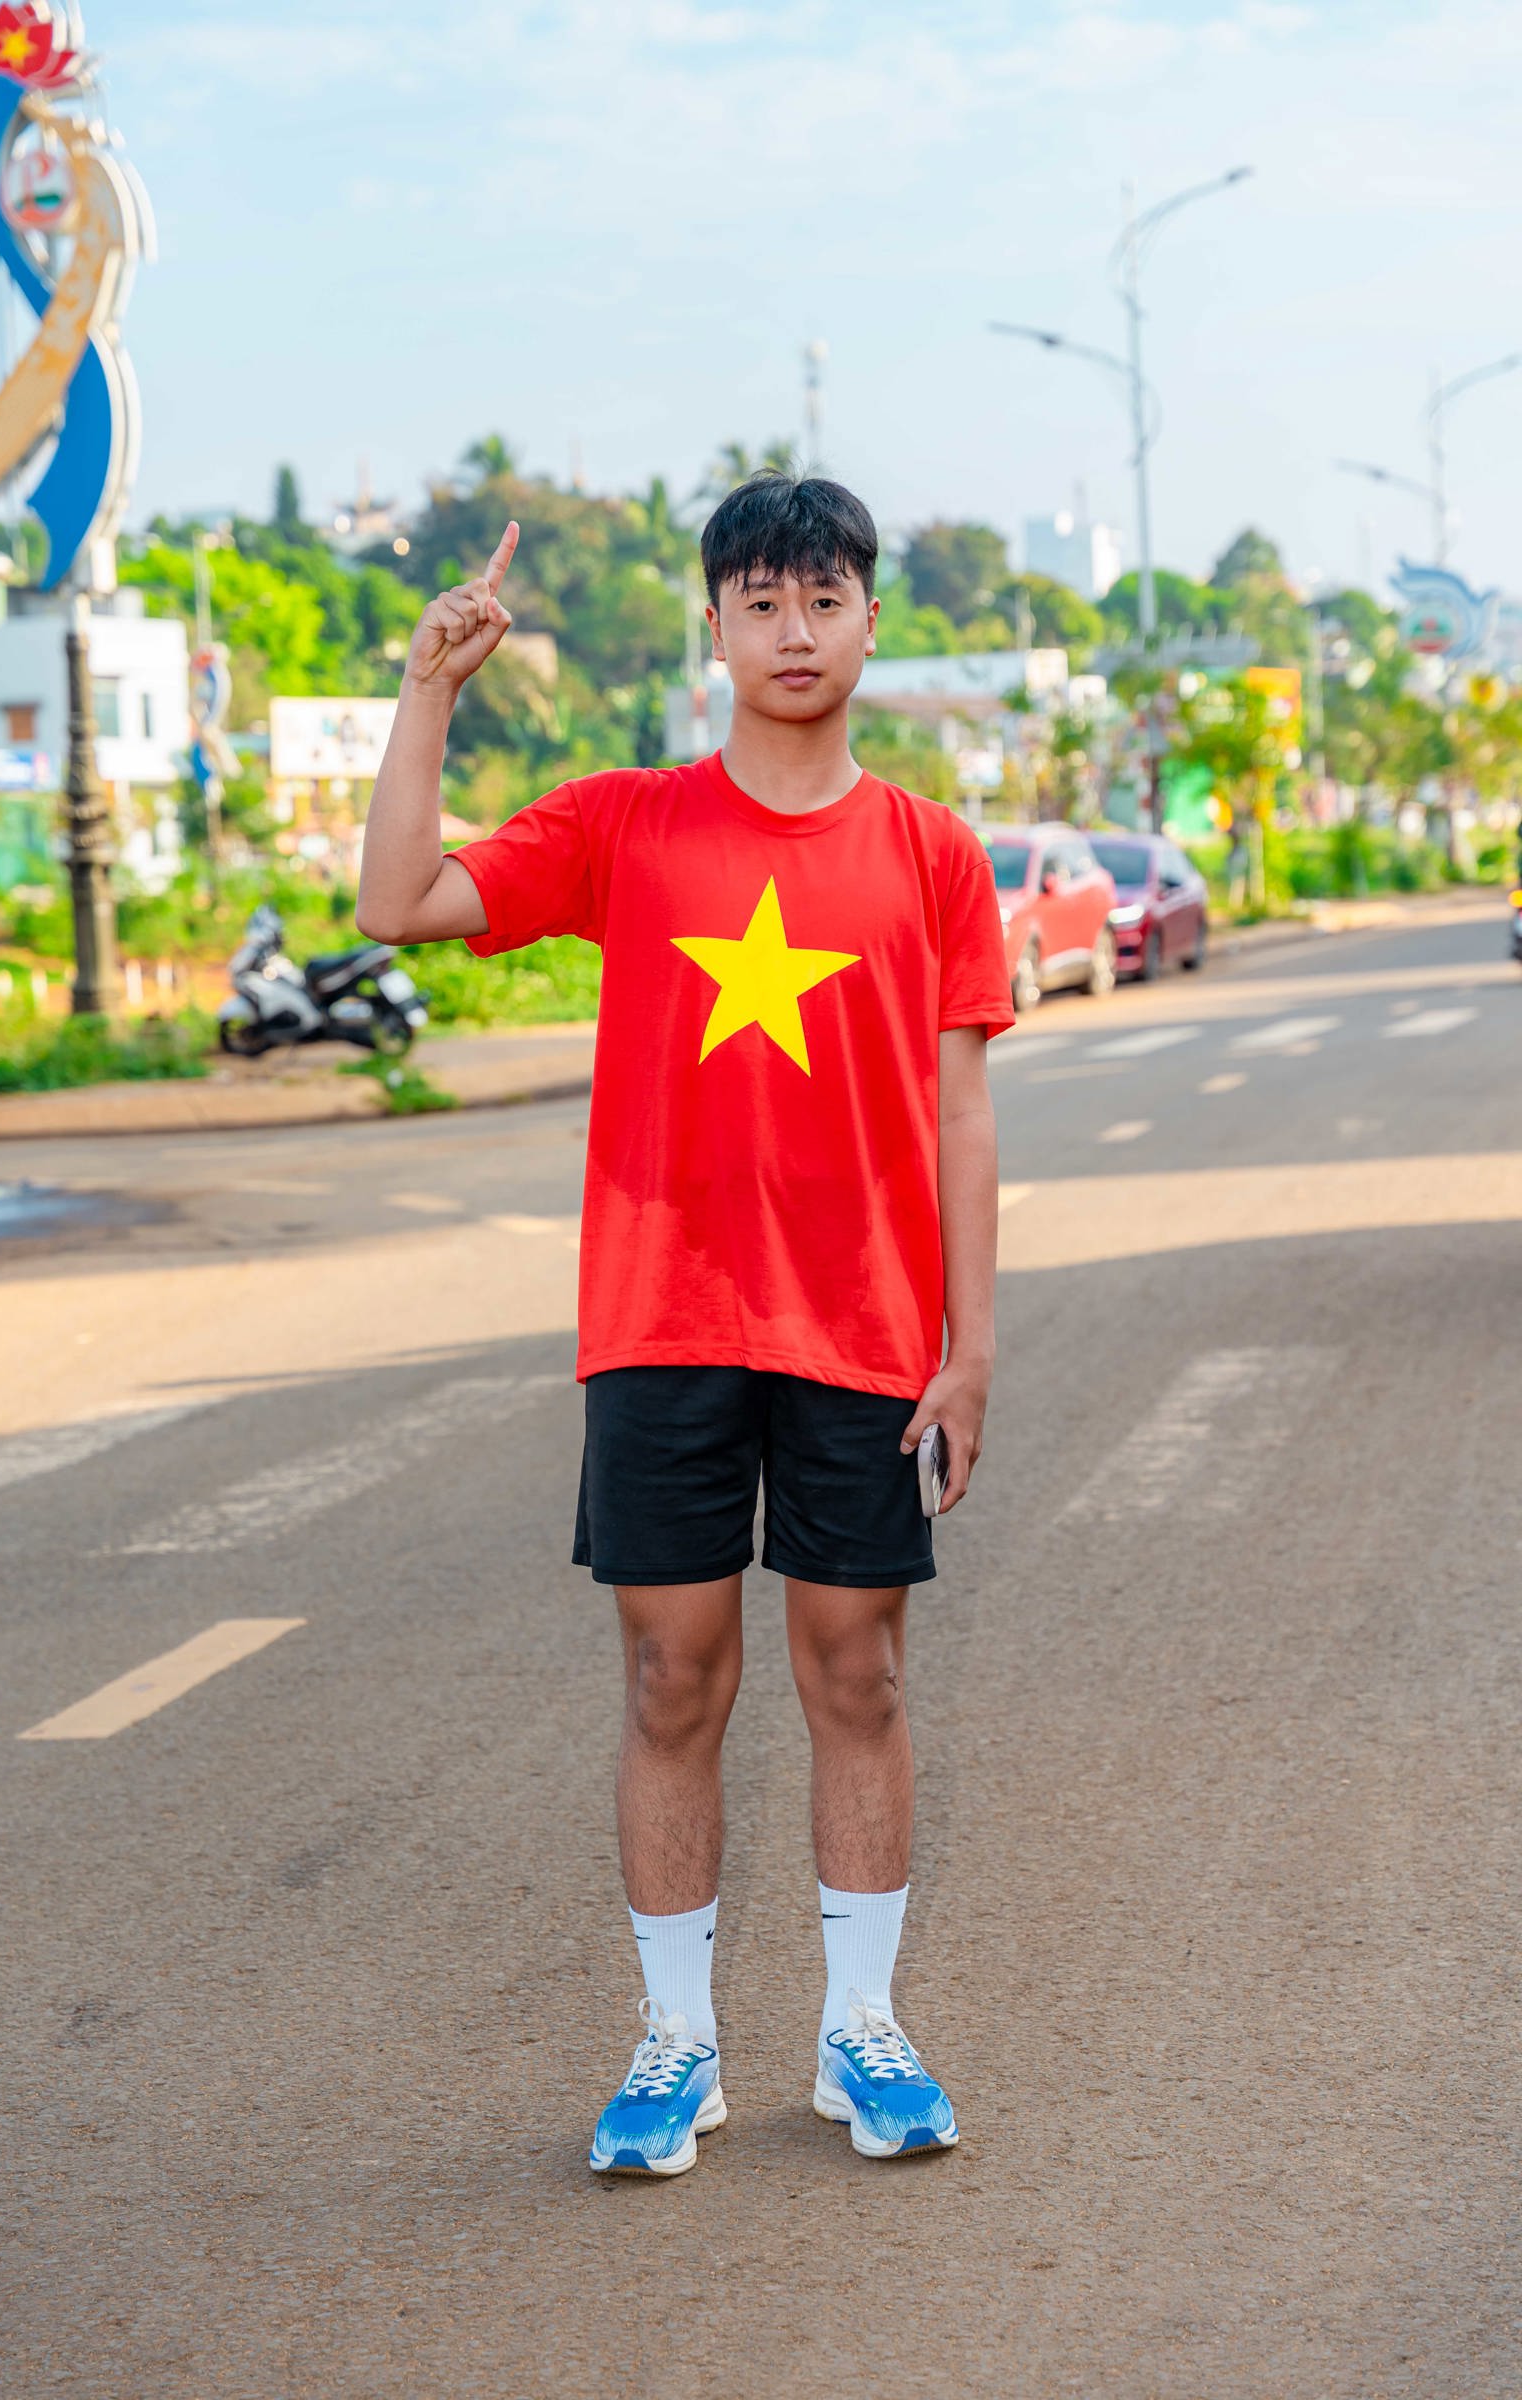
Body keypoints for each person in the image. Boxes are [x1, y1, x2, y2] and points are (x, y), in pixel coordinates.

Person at [357, 472, 1014, 2175]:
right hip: (661, 1322)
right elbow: (398, 900)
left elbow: (962, 1115)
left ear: (870, 622)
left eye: (824, 600)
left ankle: (861, 2032)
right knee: (670, 1677)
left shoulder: (934, 853)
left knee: (858, 1670)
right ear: (714, 626)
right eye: (761, 602)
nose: (794, 632)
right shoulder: (627, 825)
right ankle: (676, 2045)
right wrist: (428, 694)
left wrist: (969, 1345)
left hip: (865, 1331)